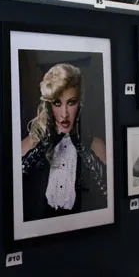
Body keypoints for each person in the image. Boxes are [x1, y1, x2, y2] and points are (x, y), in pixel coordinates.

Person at [21, 63, 107, 221]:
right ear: (49, 105)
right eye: (57, 103)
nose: (65, 114)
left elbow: (107, 197)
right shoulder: (31, 144)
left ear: (80, 103)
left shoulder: (96, 146)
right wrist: (43, 147)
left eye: (71, 102)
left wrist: (82, 148)